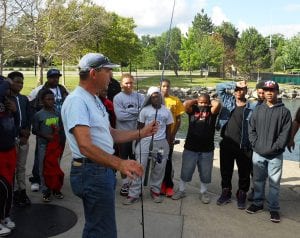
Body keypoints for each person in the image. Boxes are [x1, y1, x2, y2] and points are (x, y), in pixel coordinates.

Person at [61, 53, 157, 238]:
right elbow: (85, 146)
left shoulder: (94, 99)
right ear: (93, 73)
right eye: (108, 70)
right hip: (91, 172)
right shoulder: (77, 101)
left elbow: (110, 133)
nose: (111, 75)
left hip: (100, 170)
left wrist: (141, 132)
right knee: (102, 231)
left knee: (97, 227)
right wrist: (120, 164)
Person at [246, 80, 292, 223]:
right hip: (258, 153)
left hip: (275, 156)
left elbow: (285, 135)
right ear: (263, 92)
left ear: (277, 92)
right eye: (266, 90)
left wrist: (274, 148)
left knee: (274, 183)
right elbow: (251, 129)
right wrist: (255, 145)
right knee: (258, 181)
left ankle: (274, 209)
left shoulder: (284, 112)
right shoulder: (258, 109)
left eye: (272, 90)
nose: (269, 92)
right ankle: (258, 204)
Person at [123, 86, 174, 205]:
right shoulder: (145, 111)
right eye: (153, 97)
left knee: (159, 166)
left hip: (161, 144)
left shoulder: (166, 111)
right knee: (140, 166)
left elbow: (169, 129)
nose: (156, 98)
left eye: (158, 96)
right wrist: (138, 142)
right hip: (145, 141)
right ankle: (134, 193)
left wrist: (168, 143)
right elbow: (140, 128)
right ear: (150, 98)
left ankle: (155, 190)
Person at [172, 93, 221, 203]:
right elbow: (185, 104)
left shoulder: (211, 112)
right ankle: (181, 190)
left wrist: (208, 101)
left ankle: (203, 192)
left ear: (208, 103)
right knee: (186, 170)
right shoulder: (193, 110)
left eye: (205, 103)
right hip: (191, 147)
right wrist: (196, 101)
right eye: (200, 102)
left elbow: (217, 104)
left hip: (207, 148)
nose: (202, 104)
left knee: (205, 172)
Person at [216, 80, 255, 209]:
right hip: (227, 143)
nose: (239, 91)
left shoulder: (252, 107)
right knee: (225, 171)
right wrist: (234, 84)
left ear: (246, 91)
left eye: (242, 89)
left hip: (244, 145)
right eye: (237, 89)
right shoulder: (228, 101)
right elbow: (219, 87)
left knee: (244, 172)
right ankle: (226, 192)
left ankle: (242, 193)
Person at [28, 68, 68, 192]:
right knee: (40, 156)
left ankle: (53, 177)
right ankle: (36, 179)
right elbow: (29, 105)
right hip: (44, 128)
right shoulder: (39, 90)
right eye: (52, 77)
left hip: (59, 127)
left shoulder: (62, 90)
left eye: (57, 77)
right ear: (48, 78)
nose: (55, 79)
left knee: (56, 154)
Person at [113, 73, 144, 196]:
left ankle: (134, 183)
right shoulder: (117, 98)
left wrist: (129, 112)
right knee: (123, 159)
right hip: (123, 134)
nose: (129, 85)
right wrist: (136, 113)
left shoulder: (140, 96)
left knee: (136, 159)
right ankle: (125, 183)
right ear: (121, 84)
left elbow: (143, 112)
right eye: (126, 83)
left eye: (131, 82)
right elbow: (120, 116)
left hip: (137, 134)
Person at [32, 89, 65, 202]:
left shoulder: (57, 113)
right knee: (43, 169)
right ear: (42, 101)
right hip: (43, 146)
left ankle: (56, 188)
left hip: (55, 146)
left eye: (52, 99)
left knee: (55, 168)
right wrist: (46, 136)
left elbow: (61, 127)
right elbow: (35, 131)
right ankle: (46, 190)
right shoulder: (38, 115)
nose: (51, 101)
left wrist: (59, 137)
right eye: (48, 99)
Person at [7, 71, 31, 207]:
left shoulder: (24, 99)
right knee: (12, 167)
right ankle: (14, 191)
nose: (20, 85)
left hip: (23, 138)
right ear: (9, 82)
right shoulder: (6, 99)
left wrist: (26, 133)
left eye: (22, 82)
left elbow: (28, 117)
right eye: (17, 81)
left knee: (21, 166)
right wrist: (18, 132)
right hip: (12, 138)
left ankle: (22, 190)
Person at [160, 79, 185, 197]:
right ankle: (160, 184)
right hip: (158, 137)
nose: (165, 88)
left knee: (168, 160)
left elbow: (179, 120)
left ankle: (169, 185)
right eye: (163, 86)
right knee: (160, 160)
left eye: (167, 86)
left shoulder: (175, 100)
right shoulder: (155, 100)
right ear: (159, 87)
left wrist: (172, 135)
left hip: (169, 137)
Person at [0, 76, 18, 232]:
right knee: (2, 187)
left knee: (9, 186)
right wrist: (6, 82)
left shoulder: (7, 100)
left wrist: (14, 110)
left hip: (9, 148)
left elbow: (15, 123)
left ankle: (5, 216)